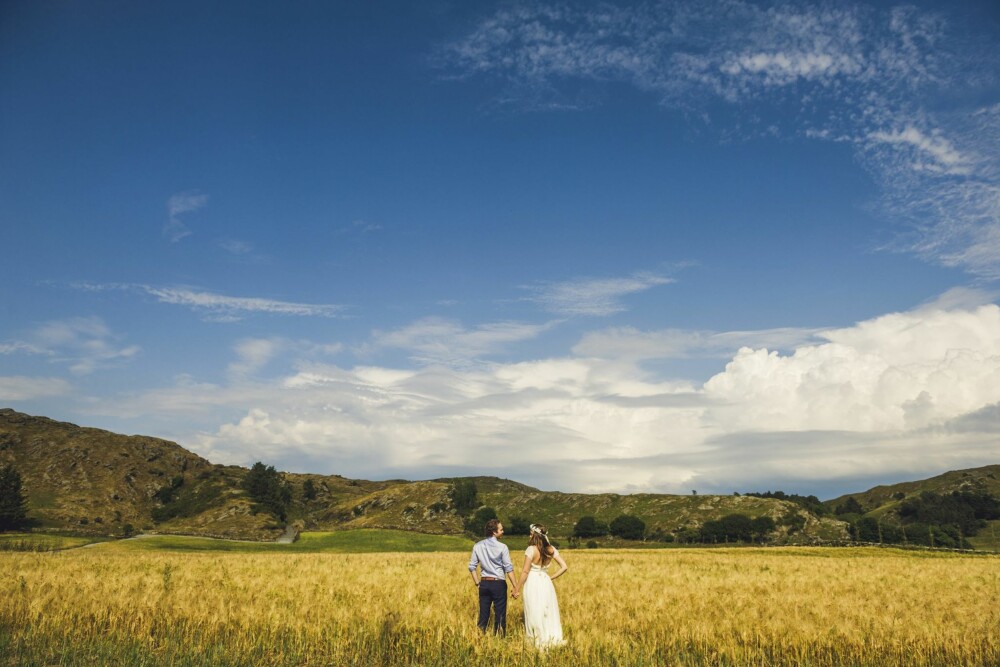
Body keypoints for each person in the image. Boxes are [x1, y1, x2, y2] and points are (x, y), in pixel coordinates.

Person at [511, 523, 567, 649]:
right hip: (546, 582)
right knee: (547, 610)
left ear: (534, 535)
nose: (529, 535)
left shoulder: (531, 549)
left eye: (530, 533)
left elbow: (525, 571)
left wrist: (516, 588)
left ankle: (537, 641)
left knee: (534, 610)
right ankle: (551, 638)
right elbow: (564, 567)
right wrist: (550, 577)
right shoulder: (551, 549)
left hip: (533, 582)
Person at [468, 518, 516, 635]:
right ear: (494, 532)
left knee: (483, 613)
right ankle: (499, 639)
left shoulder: (477, 546)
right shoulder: (502, 547)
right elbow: (508, 568)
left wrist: (477, 583)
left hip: (484, 583)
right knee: (500, 614)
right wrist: (515, 586)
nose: (503, 531)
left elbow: (472, 567)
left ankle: (479, 637)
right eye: (501, 529)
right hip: (498, 583)